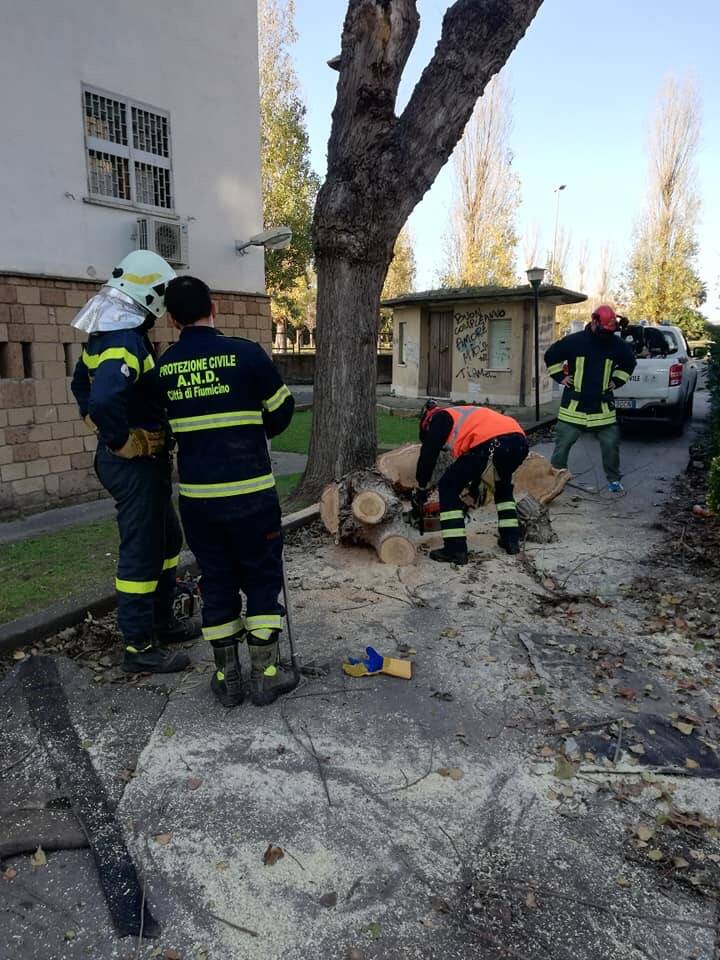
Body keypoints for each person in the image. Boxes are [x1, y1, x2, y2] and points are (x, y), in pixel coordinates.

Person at [157, 275, 296, 708]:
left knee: (215, 580)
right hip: (252, 496)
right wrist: (255, 429)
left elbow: (162, 432)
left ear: (172, 319)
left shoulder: (164, 369)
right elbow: (283, 409)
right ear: (213, 306)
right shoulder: (246, 354)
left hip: (200, 502)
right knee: (261, 576)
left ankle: (227, 677)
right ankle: (266, 675)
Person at [70, 251, 197, 674]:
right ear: (149, 296)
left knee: (165, 542)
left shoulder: (113, 335)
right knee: (142, 552)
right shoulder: (122, 339)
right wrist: (123, 440)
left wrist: (100, 426)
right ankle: (140, 646)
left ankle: (160, 620)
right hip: (133, 467)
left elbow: (79, 386)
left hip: (147, 465)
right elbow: (104, 398)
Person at [413, 402, 530, 563]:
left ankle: (455, 549)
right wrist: (472, 494)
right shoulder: (467, 414)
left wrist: (421, 486)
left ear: (426, 423)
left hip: (491, 444)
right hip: (518, 442)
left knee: (448, 486)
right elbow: (479, 471)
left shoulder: (439, 418)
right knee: (502, 488)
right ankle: (511, 541)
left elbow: (428, 454)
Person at [544, 304, 636, 493]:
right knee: (563, 446)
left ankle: (614, 481)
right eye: (604, 331)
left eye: (610, 332)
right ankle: (553, 483)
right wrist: (561, 377)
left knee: (611, 444)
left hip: (602, 408)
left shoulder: (616, 344)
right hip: (573, 407)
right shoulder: (574, 341)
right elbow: (551, 356)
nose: (606, 335)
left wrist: (617, 381)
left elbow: (629, 363)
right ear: (594, 321)